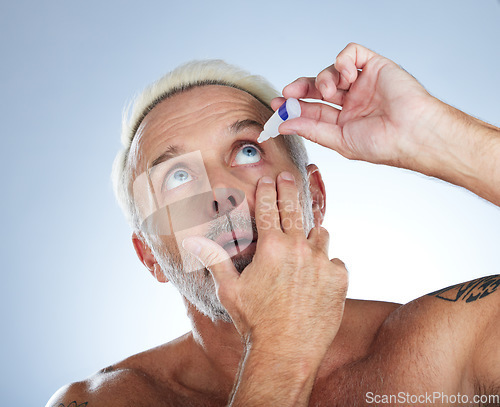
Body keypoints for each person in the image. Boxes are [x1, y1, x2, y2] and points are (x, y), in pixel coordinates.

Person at [46, 43, 500, 407]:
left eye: (247, 150)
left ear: (315, 198)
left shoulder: (447, 347)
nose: (219, 194)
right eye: (178, 178)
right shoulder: (108, 400)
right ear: (151, 257)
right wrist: (280, 352)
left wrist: (435, 138)